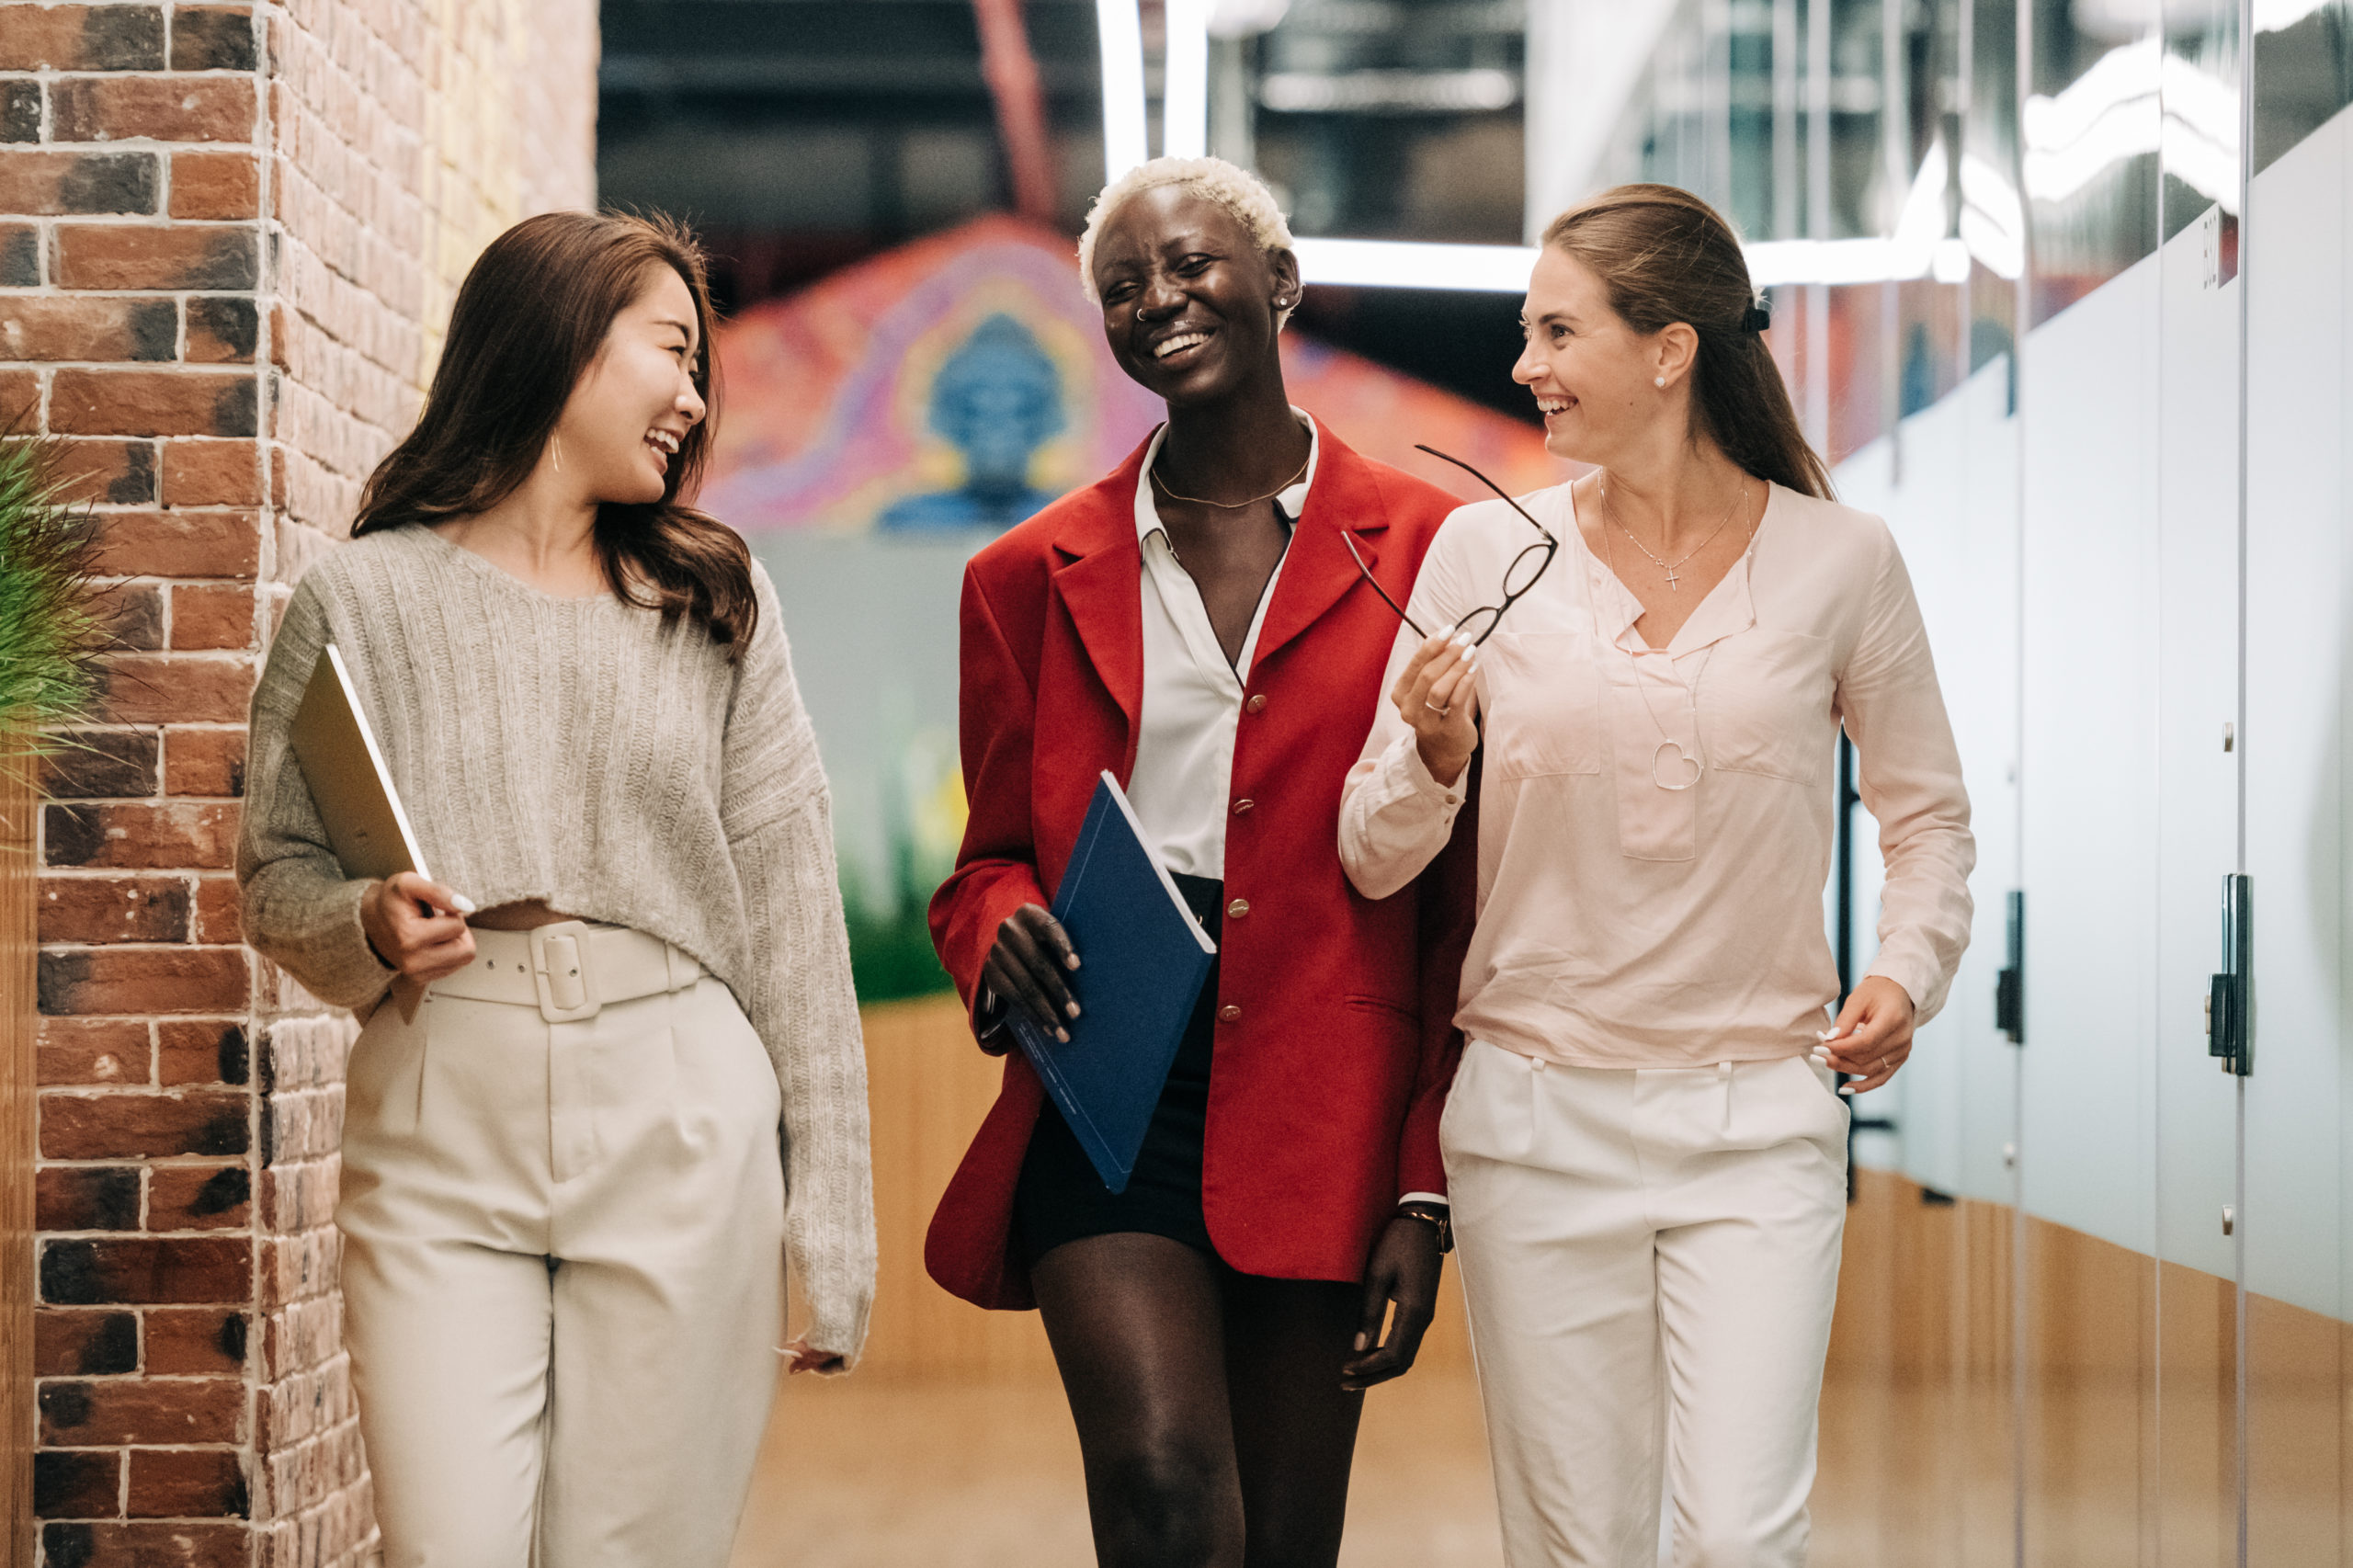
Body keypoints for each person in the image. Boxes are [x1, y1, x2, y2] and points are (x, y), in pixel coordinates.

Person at [1338, 184, 1974, 1565]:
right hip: (1532, 1126)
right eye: (1527, 331)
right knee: (1579, 1545)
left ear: (1669, 349)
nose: (1525, 366)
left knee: (1745, 1539)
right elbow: (1372, 852)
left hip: (1759, 1128)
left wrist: (1904, 972)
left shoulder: (1842, 561)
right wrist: (1432, 753)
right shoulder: (1484, 553)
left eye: (1558, 331)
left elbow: (1928, 819)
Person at [238, 211, 875, 1568]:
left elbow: (793, 909)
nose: (696, 398)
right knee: (450, 1545)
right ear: (565, 343)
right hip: (437, 1109)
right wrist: (362, 919)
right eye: (673, 351)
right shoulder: (358, 597)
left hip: (681, 1107)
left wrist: (832, 1210)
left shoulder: (715, 601)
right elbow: (274, 871)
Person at [925, 156, 1477, 1568]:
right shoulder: (1023, 578)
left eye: (1187, 266)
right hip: (1106, 1074)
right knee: (1166, 1490)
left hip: (1325, 1082)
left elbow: (1464, 902)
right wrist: (997, 924)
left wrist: (1425, 1185)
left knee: (1285, 1542)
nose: (1155, 300)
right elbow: (983, 857)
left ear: (1280, 283)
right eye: (1122, 288)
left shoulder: (1432, 551)